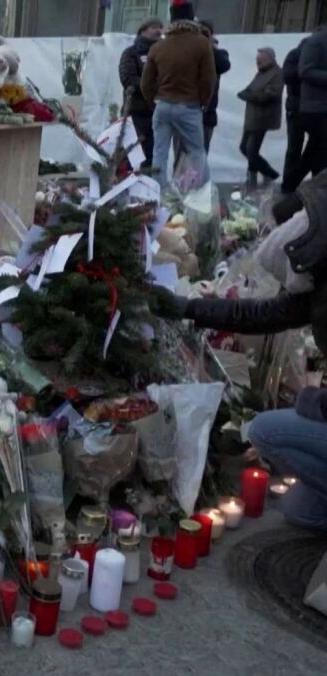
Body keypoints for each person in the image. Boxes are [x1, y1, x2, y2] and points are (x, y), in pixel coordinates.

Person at [153, 180, 327, 530]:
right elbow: (259, 316)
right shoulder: (319, 288)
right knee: (298, 511)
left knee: (264, 431)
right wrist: (187, 307)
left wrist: (313, 403)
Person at [140, 0, 215, 187]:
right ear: (191, 17)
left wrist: (153, 102)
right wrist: (204, 102)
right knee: (197, 151)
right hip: (189, 106)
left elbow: (146, 83)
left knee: (159, 154)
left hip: (163, 105)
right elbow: (208, 79)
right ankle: (199, 196)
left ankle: (158, 196)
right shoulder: (202, 44)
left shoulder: (157, 47)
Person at [284, 26, 327, 193]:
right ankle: (292, 186)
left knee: (317, 150)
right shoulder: (315, 42)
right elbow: (305, 71)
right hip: (314, 109)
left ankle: (308, 189)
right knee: (313, 151)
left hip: (319, 108)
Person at [119, 18, 162, 169]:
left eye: (161, 27)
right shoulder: (131, 53)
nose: (159, 30)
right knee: (132, 156)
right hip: (135, 113)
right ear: (143, 30)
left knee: (152, 157)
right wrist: (153, 86)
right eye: (154, 27)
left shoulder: (163, 54)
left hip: (157, 113)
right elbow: (128, 79)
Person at [238, 47, 284, 188]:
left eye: (260, 60)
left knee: (251, 149)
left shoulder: (277, 73)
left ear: (270, 58)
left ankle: (251, 180)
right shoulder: (262, 72)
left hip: (264, 116)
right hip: (253, 116)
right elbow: (251, 88)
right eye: (257, 60)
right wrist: (246, 93)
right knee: (244, 148)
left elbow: (271, 94)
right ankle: (270, 173)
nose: (257, 62)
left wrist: (250, 96)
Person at [199, 19, 230, 152]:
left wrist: (208, 45)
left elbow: (224, 65)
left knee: (201, 153)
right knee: (182, 154)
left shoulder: (218, 53)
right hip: (186, 110)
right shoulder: (186, 52)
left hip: (207, 112)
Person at [285, 43, 305, 183]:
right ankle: (289, 183)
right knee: (294, 147)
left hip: (312, 106)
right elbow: (287, 76)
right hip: (297, 106)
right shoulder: (296, 54)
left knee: (318, 148)